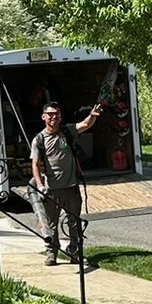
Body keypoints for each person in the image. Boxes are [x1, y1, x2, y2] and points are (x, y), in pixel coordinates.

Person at [30, 97, 103, 265]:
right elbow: (35, 164)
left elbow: (85, 125)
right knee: (51, 224)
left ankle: (74, 254)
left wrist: (93, 115)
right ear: (44, 117)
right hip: (52, 190)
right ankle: (51, 254)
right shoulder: (39, 140)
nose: (54, 117)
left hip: (71, 188)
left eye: (57, 114)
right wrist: (40, 186)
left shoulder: (68, 132)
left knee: (73, 223)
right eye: (50, 114)